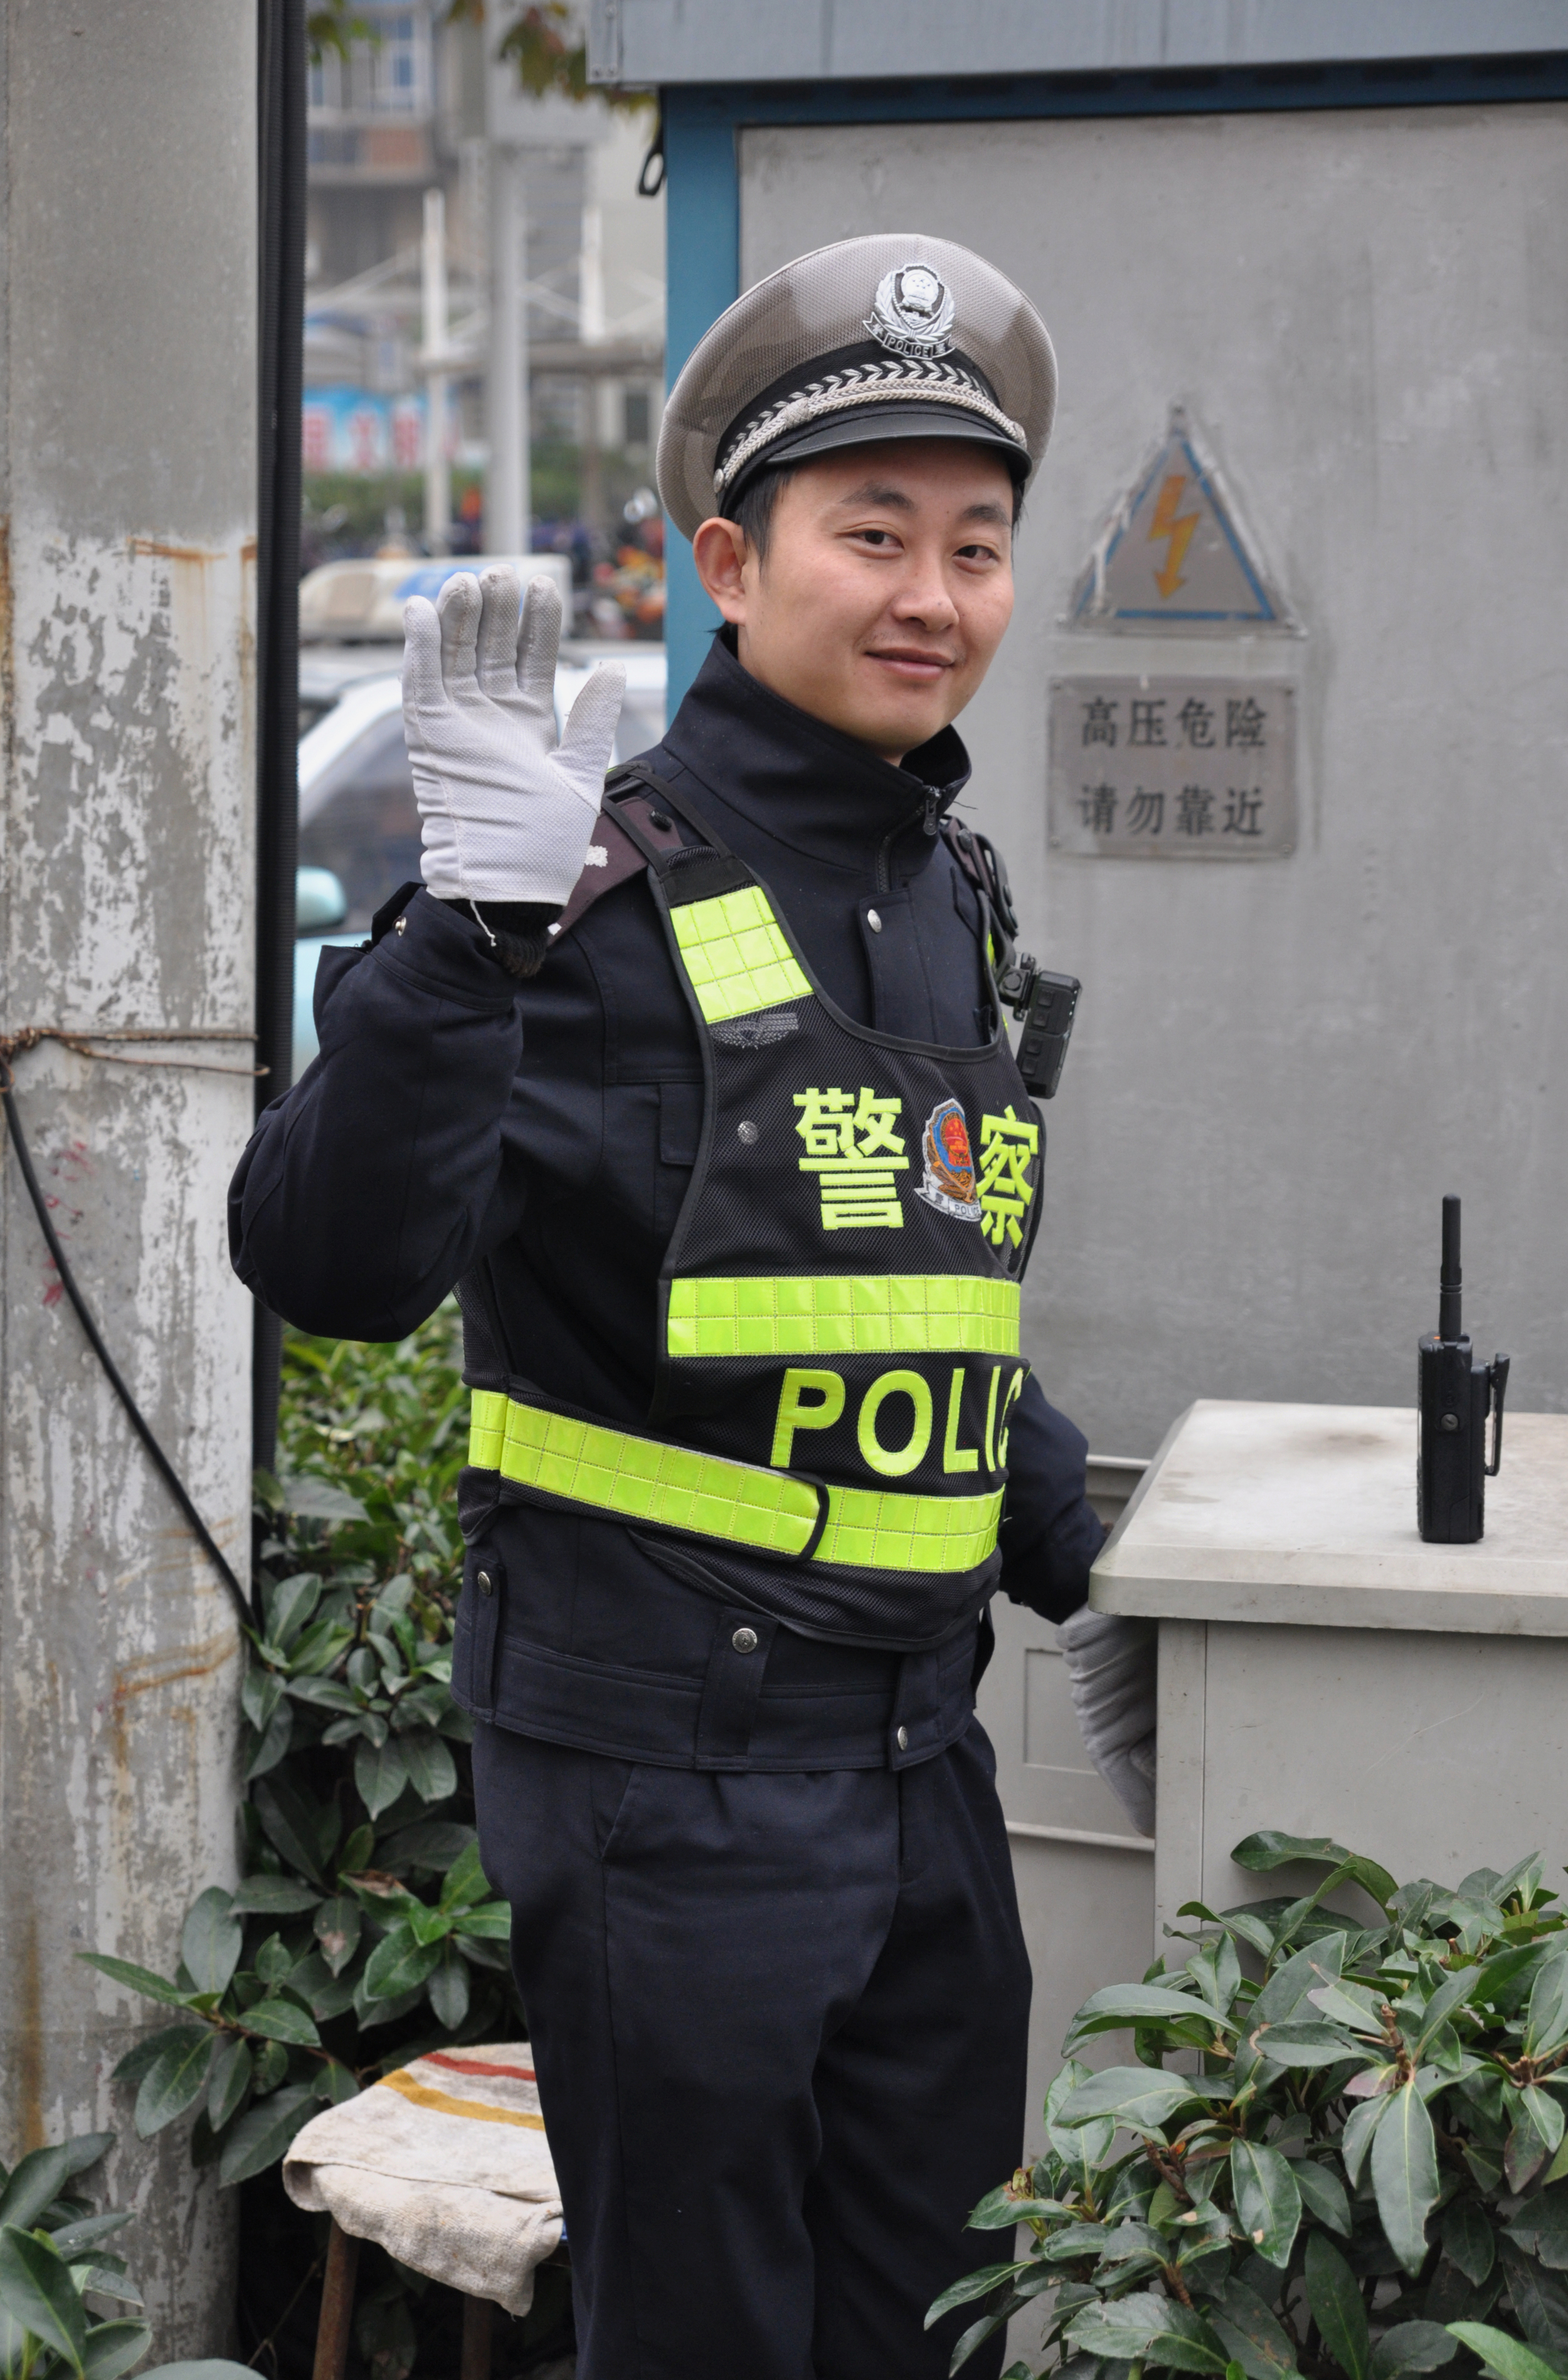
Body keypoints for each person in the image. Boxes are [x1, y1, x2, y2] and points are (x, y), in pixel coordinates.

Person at [231, 233, 1119, 2380]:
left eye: (977, 546)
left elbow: (885, 1291)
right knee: (710, 2333)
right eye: (873, 534)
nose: (932, 593)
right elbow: (326, 1260)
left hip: (921, 1754)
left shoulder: (945, 893)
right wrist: (464, 944)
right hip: (670, 1759)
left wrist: (1089, 1529)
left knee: (926, 2320)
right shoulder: (589, 884)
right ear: (733, 559)